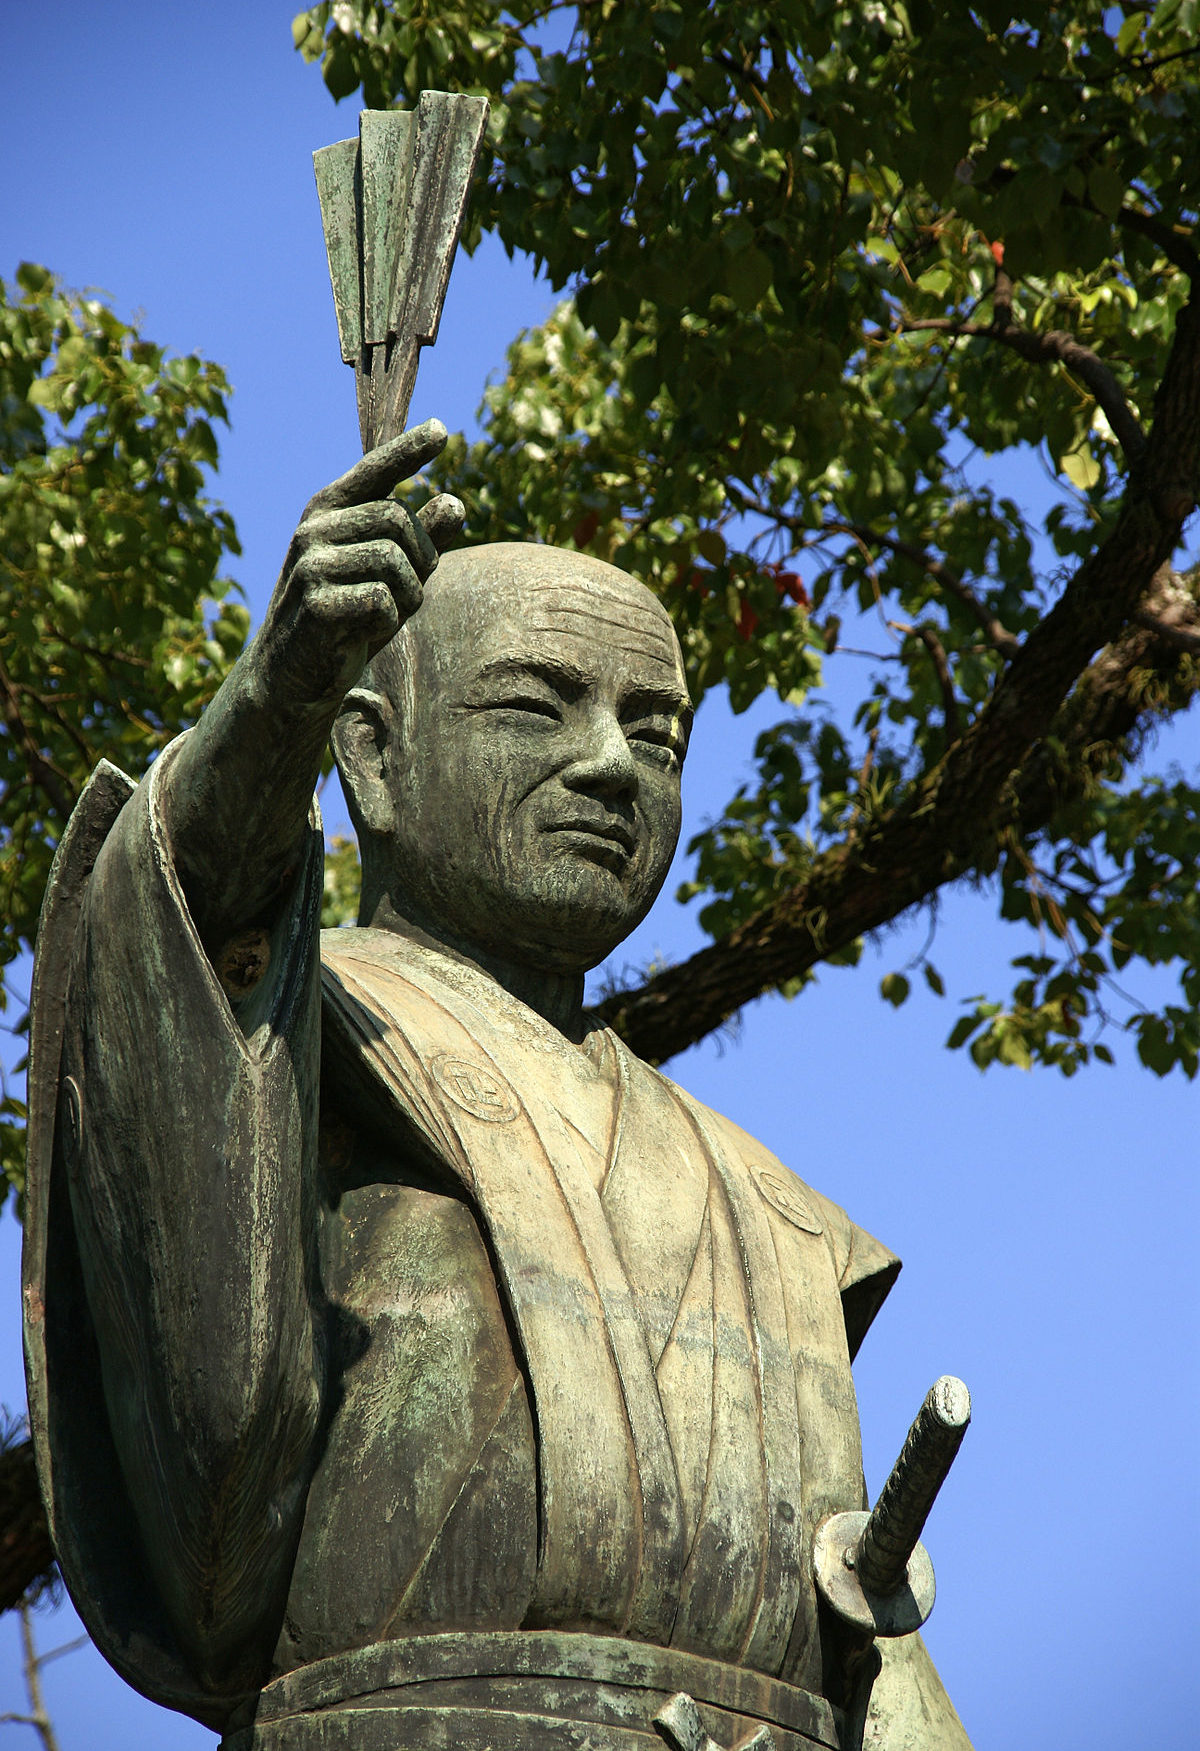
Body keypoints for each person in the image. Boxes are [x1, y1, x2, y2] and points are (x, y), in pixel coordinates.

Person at [25, 424, 972, 1749]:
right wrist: (271, 704)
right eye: (538, 705)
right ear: (370, 759)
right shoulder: (307, 1029)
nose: (611, 765)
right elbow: (190, 930)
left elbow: (865, 1648)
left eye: (657, 731)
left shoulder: (771, 1213)